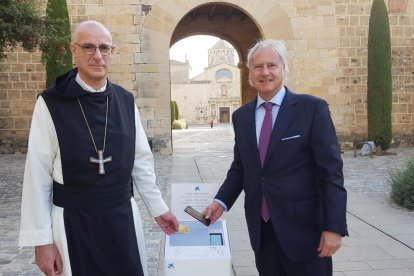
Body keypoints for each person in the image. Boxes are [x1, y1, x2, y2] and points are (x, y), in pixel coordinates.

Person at [19, 20, 179, 276]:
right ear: (74, 50)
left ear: (113, 52)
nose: (97, 56)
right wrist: (42, 242)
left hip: (122, 219)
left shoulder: (125, 101)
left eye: (104, 48)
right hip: (73, 221)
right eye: (88, 47)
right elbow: (36, 174)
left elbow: (141, 163)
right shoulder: (51, 103)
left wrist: (158, 208)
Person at [203, 39, 348, 275]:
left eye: (272, 65)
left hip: (305, 231)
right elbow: (241, 166)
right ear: (250, 73)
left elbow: (331, 173)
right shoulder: (242, 116)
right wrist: (221, 202)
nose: (265, 72)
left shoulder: (312, 109)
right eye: (258, 66)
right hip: (262, 231)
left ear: (283, 69)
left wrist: (334, 228)